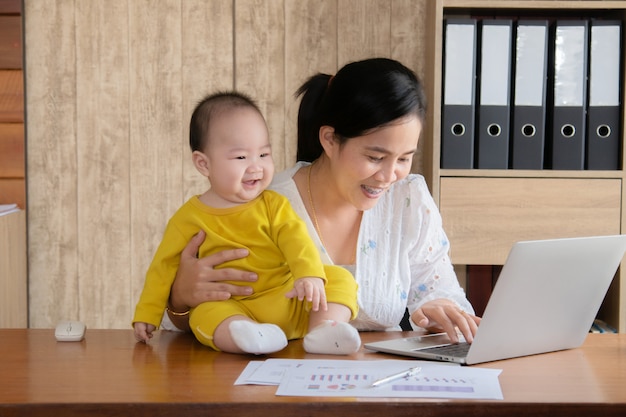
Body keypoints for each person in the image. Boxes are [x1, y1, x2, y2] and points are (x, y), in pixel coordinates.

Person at [164, 58, 481, 344]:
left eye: (404, 158)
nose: (389, 176)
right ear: (329, 139)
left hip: (381, 388)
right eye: (375, 157)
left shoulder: (408, 199)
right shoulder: (261, 203)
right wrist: (179, 298)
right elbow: (188, 322)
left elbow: (440, 292)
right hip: (272, 382)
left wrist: (440, 311)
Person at [133, 91, 361, 355]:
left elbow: (296, 240)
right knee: (205, 315)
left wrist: (308, 274)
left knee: (338, 278)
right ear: (203, 163)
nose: (256, 167)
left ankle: (322, 330)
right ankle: (248, 335)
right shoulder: (188, 218)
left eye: (264, 154)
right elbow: (163, 268)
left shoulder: (273, 205)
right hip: (233, 305)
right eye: (241, 158)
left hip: (287, 299)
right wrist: (147, 313)